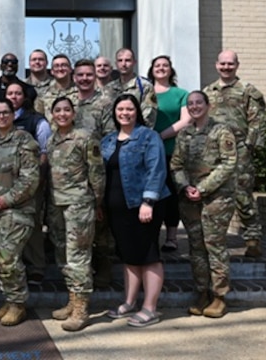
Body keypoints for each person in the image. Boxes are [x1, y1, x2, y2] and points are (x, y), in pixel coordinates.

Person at [101, 94, 170, 328]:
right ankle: (129, 302)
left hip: (143, 206)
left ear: (137, 111)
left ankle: (150, 308)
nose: (125, 113)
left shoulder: (148, 137)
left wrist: (148, 202)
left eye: (129, 109)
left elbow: (157, 170)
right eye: (120, 109)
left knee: (148, 255)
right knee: (128, 256)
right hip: (117, 208)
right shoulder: (108, 141)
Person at [170, 90, 237, 319]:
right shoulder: (185, 133)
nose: (195, 106)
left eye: (199, 102)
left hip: (216, 198)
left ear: (208, 105)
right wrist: (185, 186)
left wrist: (204, 188)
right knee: (196, 248)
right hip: (190, 199)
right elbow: (176, 165)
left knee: (214, 245)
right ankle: (201, 292)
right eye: (190, 104)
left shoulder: (221, 131)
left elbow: (228, 164)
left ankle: (219, 296)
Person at [0, 99, 40, 327]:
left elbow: (30, 178)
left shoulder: (25, 140)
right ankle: (9, 299)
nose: (1, 116)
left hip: (17, 210)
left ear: (13, 115)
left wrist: (6, 199)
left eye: (6, 112)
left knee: (8, 257)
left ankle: (18, 304)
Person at [46, 97, 105, 332]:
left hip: (78, 204)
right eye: (57, 110)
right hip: (56, 205)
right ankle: (72, 300)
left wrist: (97, 202)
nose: (62, 114)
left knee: (78, 256)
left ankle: (81, 308)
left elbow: (97, 173)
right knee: (63, 254)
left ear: (73, 113)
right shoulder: (52, 140)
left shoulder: (85, 138)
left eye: (66, 110)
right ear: (52, 114)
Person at [203, 50, 266, 258]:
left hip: (240, 151)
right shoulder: (208, 91)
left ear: (237, 65)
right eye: (223, 64)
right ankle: (215, 240)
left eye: (230, 64)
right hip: (215, 153)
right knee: (214, 195)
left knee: (242, 195)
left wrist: (249, 146)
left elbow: (257, 122)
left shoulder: (248, 91)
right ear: (216, 65)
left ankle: (252, 239)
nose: (226, 67)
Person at [72, 59, 115, 288]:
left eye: (89, 75)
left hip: (96, 170)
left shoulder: (105, 103)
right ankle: (81, 271)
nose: (84, 79)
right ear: (74, 76)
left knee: (100, 222)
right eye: (80, 75)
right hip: (69, 174)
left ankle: (104, 267)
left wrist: (99, 168)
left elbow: (110, 138)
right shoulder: (68, 101)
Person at [4, 81, 51, 284]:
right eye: (10, 93)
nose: (14, 96)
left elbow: (44, 152)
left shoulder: (36, 121)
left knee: (32, 224)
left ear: (25, 97)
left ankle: (36, 267)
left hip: (30, 182)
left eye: (18, 93)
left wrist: (37, 180)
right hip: (4, 182)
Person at [148, 55, 190, 252]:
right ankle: (151, 236)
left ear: (171, 70)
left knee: (171, 195)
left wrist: (161, 136)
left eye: (165, 65)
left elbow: (185, 120)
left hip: (171, 151)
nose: (161, 68)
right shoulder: (145, 92)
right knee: (151, 194)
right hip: (148, 153)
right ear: (152, 70)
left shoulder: (180, 94)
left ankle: (172, 237)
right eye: (157, 65)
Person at [101, 48, 158, 128]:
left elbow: (149, 117)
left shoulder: (145, 86)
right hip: (111, 136)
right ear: (116, 63)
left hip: (135, 136)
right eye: (120, 60)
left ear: (134, 62)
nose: (123, 64)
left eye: (127, 60)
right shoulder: (108, 88)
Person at [38, 54, 78, 120]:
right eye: (56, 66)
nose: (60, 68)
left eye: (64, 65)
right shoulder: (43, 95)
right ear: (52, 71)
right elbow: (38, 120)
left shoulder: (81, 93)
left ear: (70, 69)